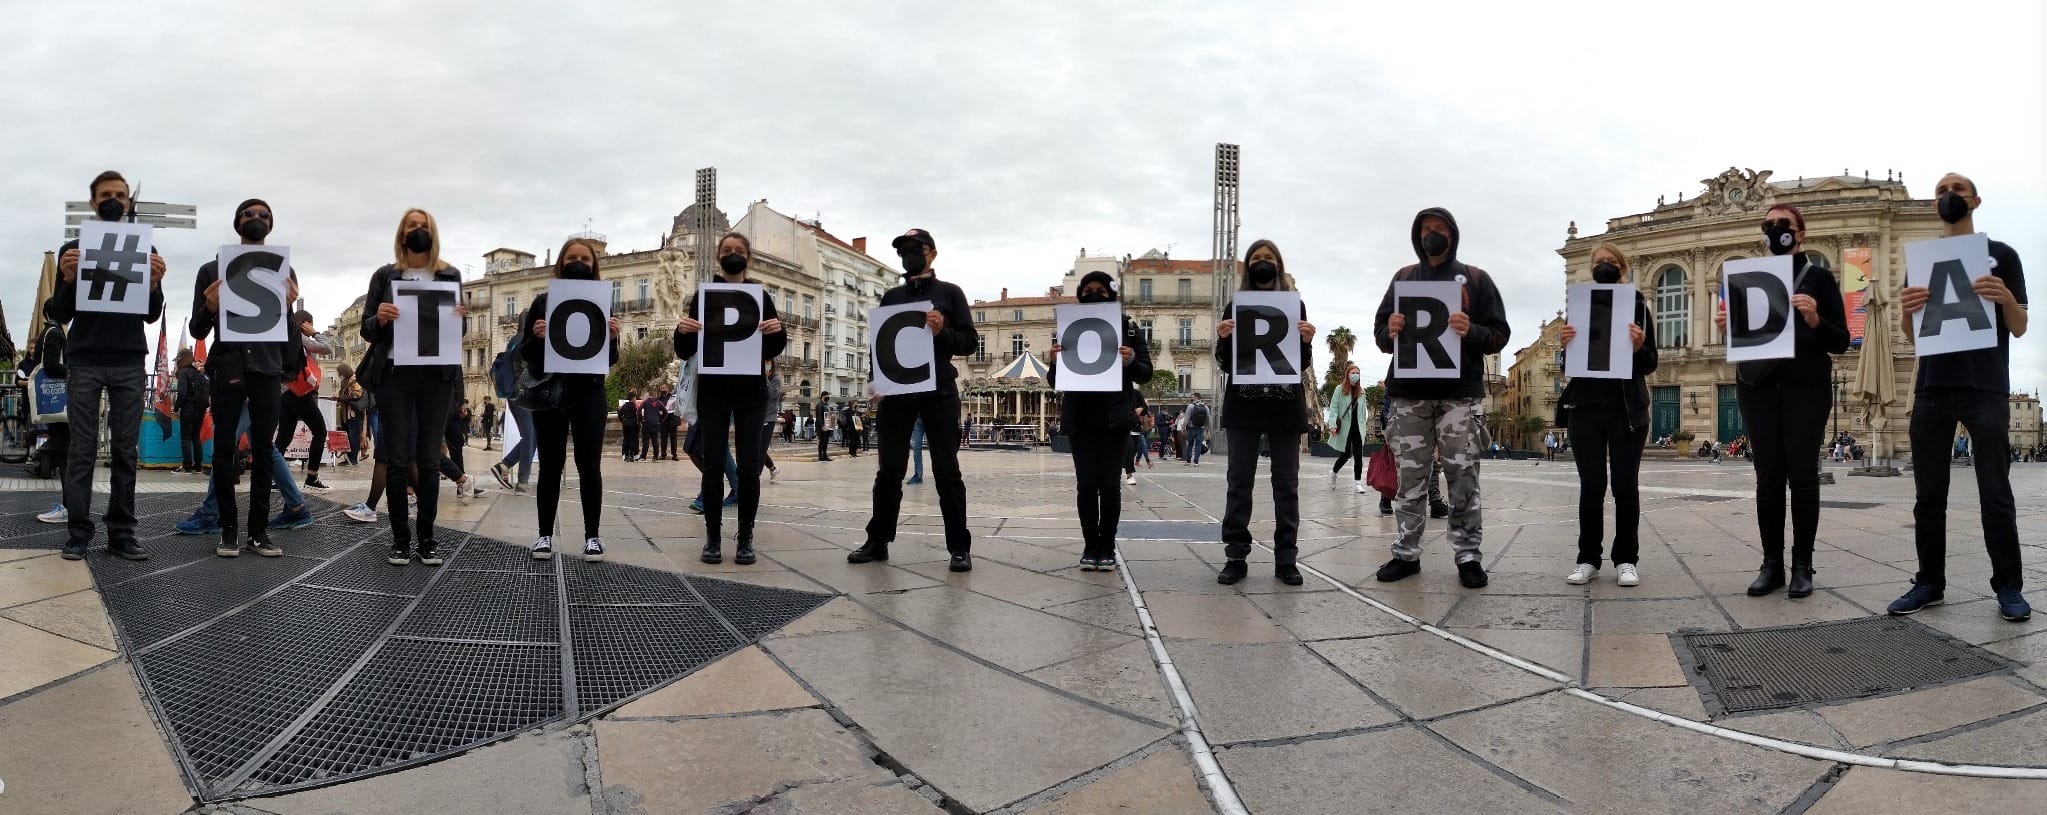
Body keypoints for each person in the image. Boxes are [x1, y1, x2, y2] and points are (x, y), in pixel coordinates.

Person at [1889, 173, 2030, 622]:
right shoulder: (1924, 261)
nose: (1948, 197)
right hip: (1932, 386)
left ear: (1976, 201)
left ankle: (2008, 586)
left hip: (1985, 385)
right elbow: (1912, 336)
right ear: (1935, 205)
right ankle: (1929, 582)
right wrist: (1907, 312)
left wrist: (2005, 296)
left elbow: (2020, 325)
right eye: (1941, 192)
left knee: (1996, 491)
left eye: (1957, 191)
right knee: (1928, 493)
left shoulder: (2001, 254)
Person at [1371, 207, 1513, 589]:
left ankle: (1468, 555)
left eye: (1440, 229)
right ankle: (1406, 553)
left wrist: (1474, 331)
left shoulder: (1477, 280)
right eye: (1426, 229)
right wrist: (1391, 330)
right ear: (1417, 235)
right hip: (1409, 395)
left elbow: (1501, 333)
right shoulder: (1403, 278)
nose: (1432, 235)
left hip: (1459, 395)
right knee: (1410, 478)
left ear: (1453, 234)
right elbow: (1380, 334)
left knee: (1463, 476)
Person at [1715, 204, 1849, 599]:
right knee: (1768, 478)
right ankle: (1771, 563)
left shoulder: (1819, 277)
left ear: (1801, 233)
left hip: (1806, 385)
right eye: (1769, 225)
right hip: (1757, 385)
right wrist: (1728, 328)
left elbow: (1840, 340)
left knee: (1804, 477)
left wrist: (1814, 320)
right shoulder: (1750, 278)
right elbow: (1750, 337)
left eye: (1783, 224)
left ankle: (1803, 565)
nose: (1775, 230)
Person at [46, 170, 166, 562]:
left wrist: (153, 285)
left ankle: (122, 532)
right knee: (81, 449)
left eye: (120, 194)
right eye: (106, 194)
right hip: (85, 357)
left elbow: (150, 315)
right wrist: (66, 279)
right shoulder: (73, 248)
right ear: (93, 201)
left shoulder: (144, 249)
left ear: (128, 202)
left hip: (129, 358)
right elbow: (58, 313)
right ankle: (78, 531)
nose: (114, 199)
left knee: (126, 450)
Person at [848, 228, 978, 571]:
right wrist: (875, 380)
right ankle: (878, 540)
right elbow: (880, 345)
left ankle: (959, 547)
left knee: (948, 470)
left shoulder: (950, 293)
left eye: (914, 248)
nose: (908, 255)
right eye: (902, 250)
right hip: (898, 391)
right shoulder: (891, 297)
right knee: (889, 470)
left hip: (939, 392)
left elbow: (968, 342)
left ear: (932, 253)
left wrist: (943, 331)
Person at [187, 198, 309, 557]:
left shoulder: (284, 271)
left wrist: (288, 307)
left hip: (268, 368)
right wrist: (210, 307)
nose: (256, 218)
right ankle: (228, 529)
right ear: (237, 222)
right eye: (249, 214)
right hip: (228, 367)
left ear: (271, 225)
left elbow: (287, 332)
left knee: (262, 450)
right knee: (224, 449)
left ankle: (257, 531)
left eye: (263, 215)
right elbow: (197, 328)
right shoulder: (212, 270)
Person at [359, 207, 466, 567]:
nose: (417, 231)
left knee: (431, 460)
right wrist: (380, 318)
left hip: (435, 376)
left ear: (432, 233)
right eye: (411, 226)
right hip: (395, 374)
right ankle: (400, 540)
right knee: (398, 460)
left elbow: (456, 334)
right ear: (401, 234)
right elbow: (366, 328)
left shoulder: (448, 274)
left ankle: (428, 538)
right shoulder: (385, 275)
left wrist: (459, 320)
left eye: (423, 226)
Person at [675, 233, 787, 565]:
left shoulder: (760, 297)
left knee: (750, 469)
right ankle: (712, 538)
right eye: (727, 251)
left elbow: (771, 349)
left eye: (738, 251)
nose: (733, 255)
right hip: (713, 392)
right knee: (712, 467)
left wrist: (776, 332)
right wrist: (681, 332)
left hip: (750, 392)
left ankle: (746, 537)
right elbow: (686, 350)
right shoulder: (704, 297)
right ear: (718, 257)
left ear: (747, 257)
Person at [1211, 239, 1316, 586]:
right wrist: (1223, 338)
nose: (1262, 263)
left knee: (1286, 484)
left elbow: (1300, 365)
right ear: (1248, 266)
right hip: (1244, 406)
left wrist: (1306, 340)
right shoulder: (1234, 307)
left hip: (1285, 406)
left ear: (1279, 265)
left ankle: (1286, 558)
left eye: (1268, 258)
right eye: (1256, 258)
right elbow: (1226, 364)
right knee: (1238, 483)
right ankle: (1235, 555)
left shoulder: (1294, 307)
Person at [1557, 244, 1660, 587]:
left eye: (1611, 263)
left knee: (1625, 486)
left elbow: (1650, 363)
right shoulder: (1581, 306)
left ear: (1623, 269)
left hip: (1626, 407)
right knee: (1592, 486)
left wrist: (1638, 345)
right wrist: (1564, 346)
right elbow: (1567, 367)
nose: (1604, 266)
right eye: (1598, 262)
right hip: (1584, 406)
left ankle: (1626, 559)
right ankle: (1588, 559)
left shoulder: (1636, 305)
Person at [521, 237, 621, 562]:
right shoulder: (542, 302)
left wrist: (614, 338)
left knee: (589, 465)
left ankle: (592, 535)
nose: (578, 262)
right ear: (561, 263)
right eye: (572, 257)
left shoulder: (601, 304)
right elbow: (525, 353)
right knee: (550, 465)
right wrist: (536, 337)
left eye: (585, 259)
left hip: (589, 390)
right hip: (551, 390)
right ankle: (544, 535)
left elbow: (610, 358)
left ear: (594, 266)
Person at [1048, 270, 1150, 570]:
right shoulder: (1071, 328)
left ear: (1113, 294)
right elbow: (1056, 380)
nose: (1095, 294)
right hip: (1080, 416)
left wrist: (1130, 360)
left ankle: (1106, 546)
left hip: (1115, 417)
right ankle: (1090, 544)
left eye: (1101, 290)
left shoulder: (1128, 328)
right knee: (1086, 485)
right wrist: (1054, 362)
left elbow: (1145, 371)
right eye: (1088, 289)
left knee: (1109, 485)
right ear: (1080, 294)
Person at [275, 309, 331, 491]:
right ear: (304, 323)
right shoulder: (298, 336)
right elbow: (328, 348)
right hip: (300, 391)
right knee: (320, 431)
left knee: (283, 437)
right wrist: (314, 333)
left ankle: (272, 478)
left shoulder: (281, 336)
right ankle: (312, 478)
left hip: (285, 391)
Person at [1326, 363, 1370, 493]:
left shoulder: (1362, 391)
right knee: (1345, 455)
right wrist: (1332, 425)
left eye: (1357, 373)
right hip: (1345, 426)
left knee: (1358, 455)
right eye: (1353, 373)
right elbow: (1334, 408)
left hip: (1358, 427)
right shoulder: (1339, 389)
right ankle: (1333, 472)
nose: (1355, 375)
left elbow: (1363, 410)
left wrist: (1364, 423)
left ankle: (1357, 482)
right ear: (1347, 374)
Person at [174, 348, 208, 473]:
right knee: (196, 437)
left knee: (185, 438)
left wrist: (177, 407)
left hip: (188, 408)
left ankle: (187, 466)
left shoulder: (183, 372)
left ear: (182, 360)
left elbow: (182, 392)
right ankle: (198, 466)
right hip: (200, 409)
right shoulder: (198, 373)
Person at [760, 363, 782, 483]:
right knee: (757, 449)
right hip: (757, 418)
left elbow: (772, 394)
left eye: (767, 363)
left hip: (768, 418)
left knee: (760, 450)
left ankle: (754, 476)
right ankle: (773, 469)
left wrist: (766, 378)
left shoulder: (775, 379)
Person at [638, 387, 667, 461]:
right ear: (655, 394)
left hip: (647, 423)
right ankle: (655, 457)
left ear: (649, 394)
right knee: (655, 441)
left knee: (645, 441)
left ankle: (643, 457)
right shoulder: (659, 403)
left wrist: (640, 420)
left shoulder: (645, 402)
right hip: (656, 423)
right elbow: (666, 411)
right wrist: (661, 420)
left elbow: (639, 410)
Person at [1183, 396, 1209, 465]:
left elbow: (1186, 418)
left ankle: (1188, 461)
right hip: (1201, 428)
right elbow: (1208, 418)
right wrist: (1207, 428)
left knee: (1190, 444)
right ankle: (1196, 462)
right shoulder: (1205, 407)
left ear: (1196, 397)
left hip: (1191, 427)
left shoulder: (1191, 406)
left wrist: (1183, 427)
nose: (1191, 398)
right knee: (1198, 445)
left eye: (1192, 397)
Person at [619, 390, 641, 462]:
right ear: (633, 398)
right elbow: (638, 415)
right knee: (632, 440)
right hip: (633, 424)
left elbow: (620, 415)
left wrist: (623, 421)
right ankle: (632, 455)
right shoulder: (635, 406)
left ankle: (626, 455)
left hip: (625, 424)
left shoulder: (624, 406)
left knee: (626, 439)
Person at [906, 416, 926, 485]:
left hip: (931, 418)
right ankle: (918, 475)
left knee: (934, 448)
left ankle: (940, 474)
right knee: (916, 447)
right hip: (917, 419)